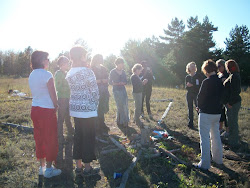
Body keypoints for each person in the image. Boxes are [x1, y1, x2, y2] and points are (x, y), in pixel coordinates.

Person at [66, 46, 99, 176]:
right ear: (81, 56)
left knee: (78, 136)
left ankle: (78, 167)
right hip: (88, 110)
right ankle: (87, 168)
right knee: (88, 138)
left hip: (75, 108)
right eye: (85, 55)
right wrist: (95, 103)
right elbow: (95, 92)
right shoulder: (87, 72)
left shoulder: (69, 72)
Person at [29, 51, 61, 178]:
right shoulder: (47, 74)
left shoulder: (31, 74)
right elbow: (53, 94)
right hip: (46, 110)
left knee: (39, 137)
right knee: (50, 138)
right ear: (42, 60)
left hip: (35, 108)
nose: (48, 60)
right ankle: (48, 169)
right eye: (47, 59)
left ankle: (42, 167)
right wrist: (56, 105)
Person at [195, 59, 223, 170]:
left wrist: (199, 106)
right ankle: (218, 159)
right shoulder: (220, 81)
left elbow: (200, 97)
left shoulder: (206, 82)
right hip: (217, 113)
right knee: (216, 136)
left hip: (206, 113)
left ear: (206, 70)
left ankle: (205, 163)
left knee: (205, 138)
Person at [54, 56, 74, 169]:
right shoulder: (58, 74)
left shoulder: (66, 73)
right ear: (61, 64)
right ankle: (60, 136)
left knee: (68, 117)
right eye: (66, 63)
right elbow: (59, 87)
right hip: (62, 98)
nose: (67, 65)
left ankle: (70, 132)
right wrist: (68, 86)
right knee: (60, 118)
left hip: (68, 98)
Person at [222, 59, 241, 149]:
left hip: (233, 103)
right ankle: (232, 140)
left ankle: (234, 143)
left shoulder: (234, 76)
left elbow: (235, 91)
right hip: (231, 103)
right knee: (231, 122)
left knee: (233, 122)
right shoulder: (232, 75)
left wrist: (230, 102)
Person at [90, 54, 110, 134]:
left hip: (104, 89)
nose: (101, 59)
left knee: (103, 107)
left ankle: (102, 123)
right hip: (96, 90)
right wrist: (100, 81)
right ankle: (97, 125)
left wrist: (104, 81)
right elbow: (92, 81)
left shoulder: (104, 68)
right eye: (100, 58)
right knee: (96, 108)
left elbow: (107, 78)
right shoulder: (92, 69)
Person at [109, 57, 129, 127]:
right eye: (121, 63)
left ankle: (125, 120)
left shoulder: (123, 72)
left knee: (125, 105)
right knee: (120, 106)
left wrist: (123, 83)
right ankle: (121, 121)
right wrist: (117, 83)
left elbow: (126, 81)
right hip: (116, 90)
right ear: (117, 64)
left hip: (123, 90)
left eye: (123, 64)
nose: (122, 65)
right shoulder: (112, 72)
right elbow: (110, 82)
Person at [185, 62, 202, 128]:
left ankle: (201, 122)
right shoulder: (187, 77)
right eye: (191, 66)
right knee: (190, 108)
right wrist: (188, 85)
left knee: (198, 108)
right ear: (188, 68)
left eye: (194, 66)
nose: (192, 68)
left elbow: (200, 85)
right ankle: (190, 123)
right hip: (189, 94)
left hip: (197, 94)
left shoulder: (198, 76)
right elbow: (186, 87)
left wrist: (192, 85)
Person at [216, 59, 229, 137]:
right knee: (221, 114)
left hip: (226, 97)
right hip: (219, 97)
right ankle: (220, 128)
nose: (218, 68)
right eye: (217, 66)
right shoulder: (219, 75)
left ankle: (228, 130)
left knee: (226, 114)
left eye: (219, 66)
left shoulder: (227, 74)